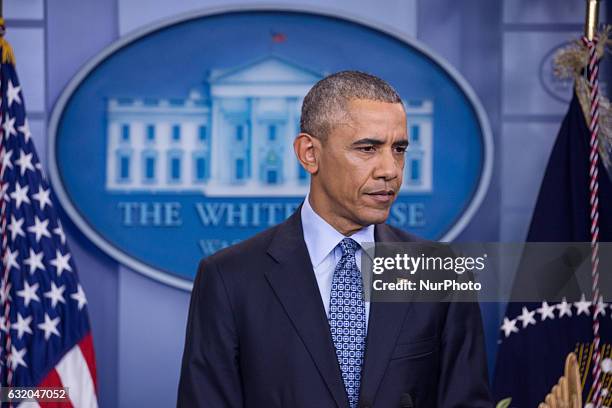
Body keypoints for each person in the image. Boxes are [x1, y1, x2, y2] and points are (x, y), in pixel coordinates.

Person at [177, 71, 492, 407]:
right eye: (368, 148)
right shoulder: (229, 278)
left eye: (398, 149)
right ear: (309, 153)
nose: (391, 169)